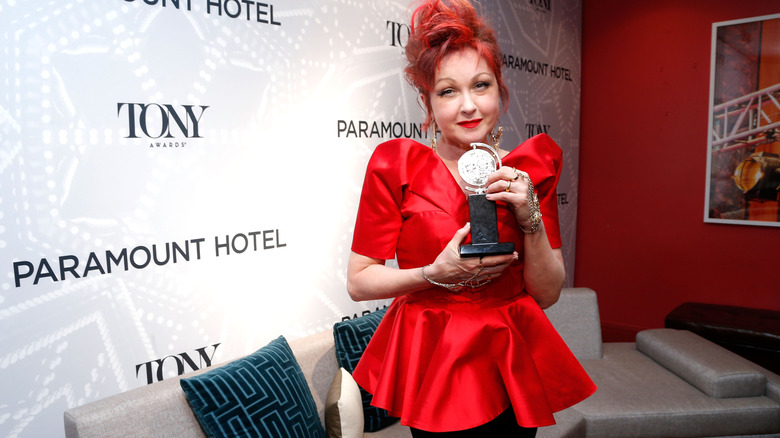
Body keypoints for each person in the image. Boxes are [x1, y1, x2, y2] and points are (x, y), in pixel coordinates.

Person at [346, 0, 596, 436]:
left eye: (481, 85)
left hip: (511, 352)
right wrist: (434, 273)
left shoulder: (532, 169)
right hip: (436, 353)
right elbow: (359, 281)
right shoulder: (395, 166)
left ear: (499, 89)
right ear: (427, 102)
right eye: (447, 91)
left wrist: (529, 214)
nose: (468, 106)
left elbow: (548, 292)